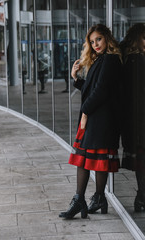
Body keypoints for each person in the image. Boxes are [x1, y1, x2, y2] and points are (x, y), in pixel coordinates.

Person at [59, 24, 122, 219]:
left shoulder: (111, 60)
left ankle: (86, 200)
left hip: (101, 119)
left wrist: (85, 111)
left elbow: (101, 90)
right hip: (98, 117)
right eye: (92, 41)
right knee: (87, 159)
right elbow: (92, 88)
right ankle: (94, 198)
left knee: (92, 160)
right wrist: (75, 78)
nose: (95, 44)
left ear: (107, 38)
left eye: (99, 39)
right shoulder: (101, 60)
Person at [120, 23, 145, 212]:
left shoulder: (130, 59)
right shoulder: (135, 60)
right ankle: (142, 198)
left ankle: (142, 198)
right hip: (138, 121)